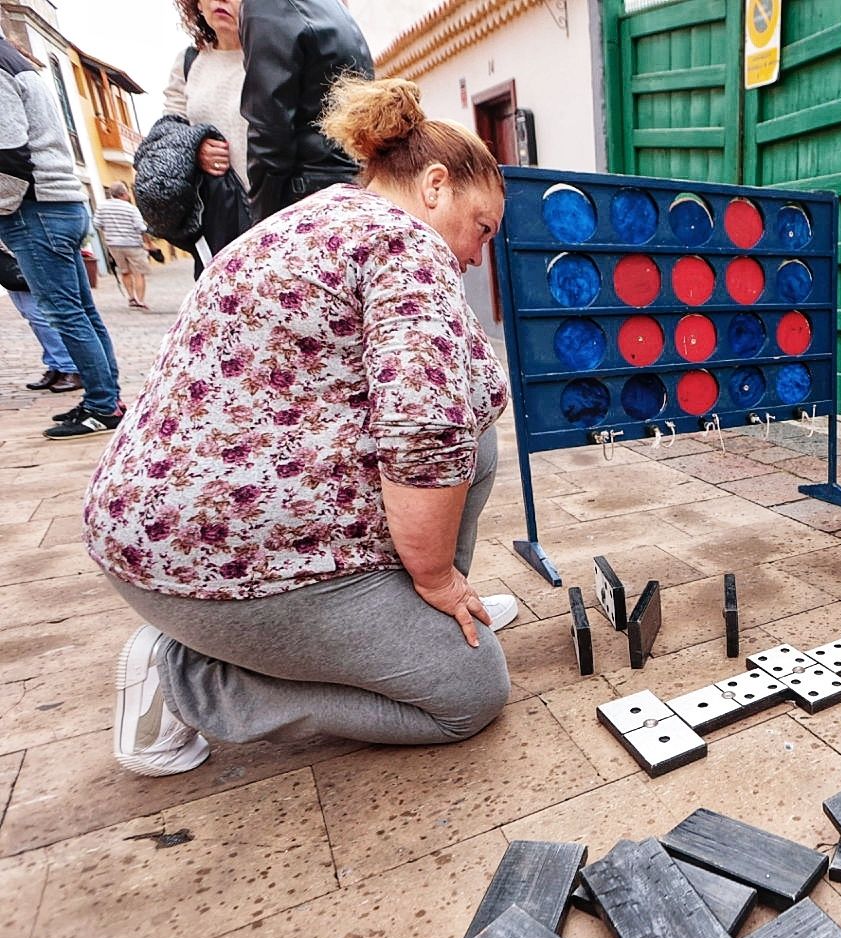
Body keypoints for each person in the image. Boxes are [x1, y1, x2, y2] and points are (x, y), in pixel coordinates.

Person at [84, 77, 518, 776]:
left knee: (479, 428)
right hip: (215, 562)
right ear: (435, 186)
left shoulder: (309, 217)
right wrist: (436, 576)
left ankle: (423, 627)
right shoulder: (405, 242)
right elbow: (422, 432)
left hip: (151, 531)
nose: (475, 254)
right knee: (468, 694)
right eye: (482, 228)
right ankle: (185, 680)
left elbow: (449, 406)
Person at [0, 35, 123, 439]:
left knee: (66, 314)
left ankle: (103, 407)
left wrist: (2, 205)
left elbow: (9, 150)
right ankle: (105, 399)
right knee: (81, 312)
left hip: (35, 208)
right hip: (62, 202)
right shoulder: (20, 63)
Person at [238, 0, 373, 222]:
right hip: (351, 185)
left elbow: (270, 128)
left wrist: (262, 218)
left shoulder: (267, 5)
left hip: (307, 195)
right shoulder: (331, 5)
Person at [148, 0, 253, 272]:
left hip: (277, 207)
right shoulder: (189, 62)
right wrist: (195, 146)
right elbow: (170, 129)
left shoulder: (278, 55)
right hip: (219, 213)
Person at [4, 241, 79, 391]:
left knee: (40, 316)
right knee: (31, 315)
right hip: (10, 258)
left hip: (24, 253)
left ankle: (70, 366)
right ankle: (56, 365)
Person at [93, 182, 152, 309]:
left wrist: (108, 233)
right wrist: (148, 243)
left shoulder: (102, 207)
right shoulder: (131, 208)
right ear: (123, 194)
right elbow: (140, 227)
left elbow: (97, 224)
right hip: (133, 244)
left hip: (113, 245)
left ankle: (131, 298)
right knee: (138, 273)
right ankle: (140, 301)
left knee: (124, 271)